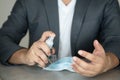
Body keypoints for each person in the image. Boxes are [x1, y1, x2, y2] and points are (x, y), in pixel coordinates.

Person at [0, 0, 120, 77]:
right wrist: (25, 55)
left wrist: (106, 62)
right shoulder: (28, 2)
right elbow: (3, 39)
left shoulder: (106, 1)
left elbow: (117, 39)